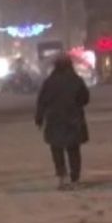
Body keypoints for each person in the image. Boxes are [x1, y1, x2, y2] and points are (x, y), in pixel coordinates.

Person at [35, 55, 90, 190]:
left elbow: (42, 101)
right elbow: (85, 98)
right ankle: (75, 179)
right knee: (73, 150)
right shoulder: (76, 80)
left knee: (57, 149)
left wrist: (39, 118)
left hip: (55, 119)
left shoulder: (49, 82)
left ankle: (61, 177)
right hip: (73, 119)